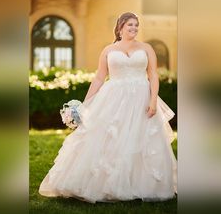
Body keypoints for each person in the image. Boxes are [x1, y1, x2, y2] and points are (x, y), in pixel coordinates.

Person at [39, 12, 177, 203]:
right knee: (111, 137)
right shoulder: (108, 50)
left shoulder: (146, 48)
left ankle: (139, 184)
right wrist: (85, 105)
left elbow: (153, 75)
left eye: (136, 25)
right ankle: (105, 184)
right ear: (120, 27)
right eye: (130, 25)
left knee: (140, 139)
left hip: (141, 97)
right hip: (114, 97)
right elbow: (99, 77)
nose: (134, 29)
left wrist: (153, 100)